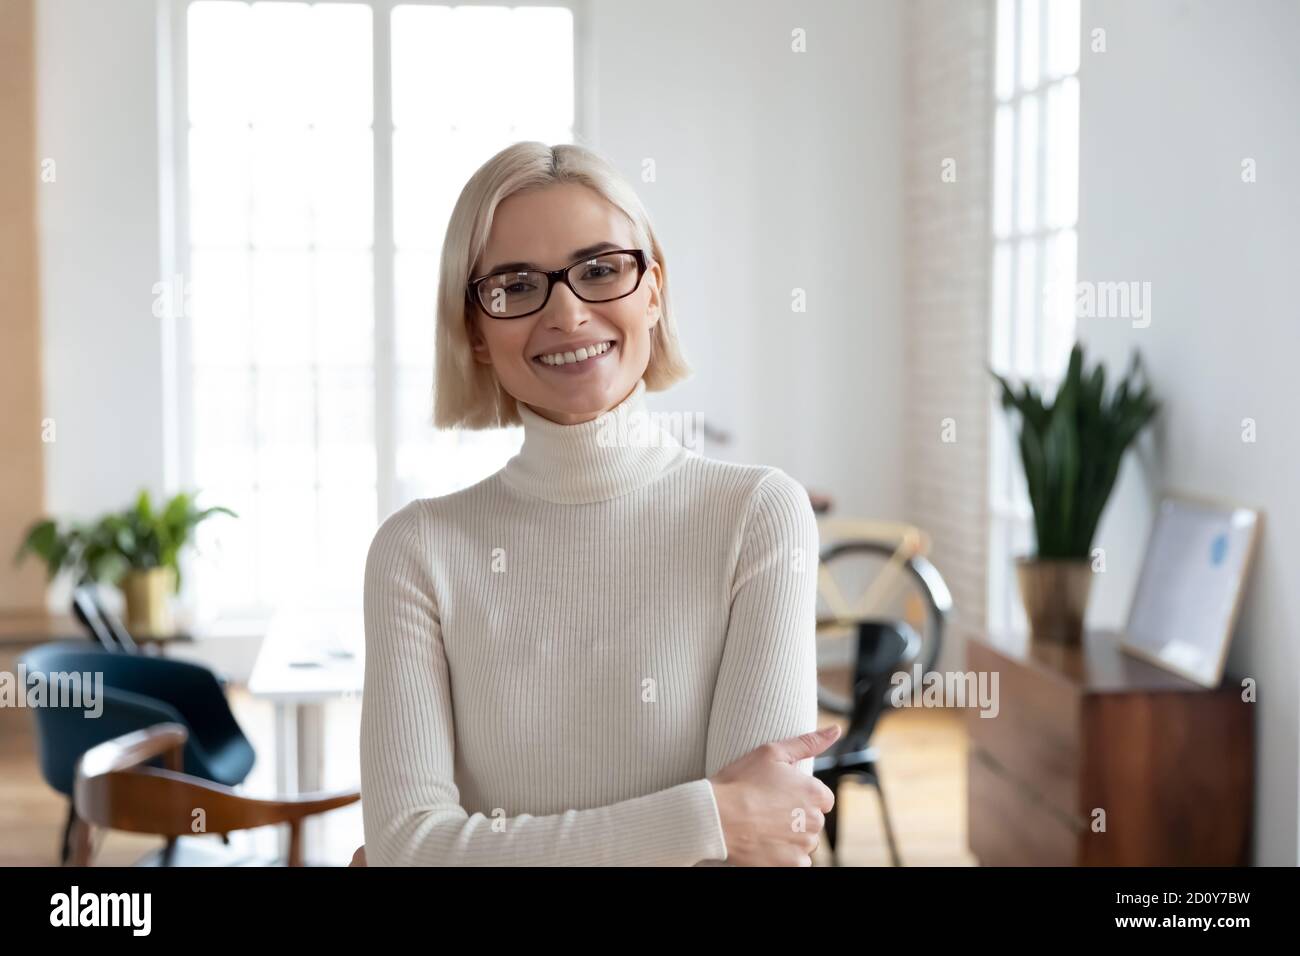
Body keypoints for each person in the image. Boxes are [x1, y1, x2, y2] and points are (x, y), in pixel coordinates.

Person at [355, 141, 838, 866]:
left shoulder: (758, 516)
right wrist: (707, 817)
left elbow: (762, 851)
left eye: (601, 270)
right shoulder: (418, 550)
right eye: (516, 286)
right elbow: (407, 848)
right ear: (476, 332)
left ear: (653, 290)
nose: (568, 314)